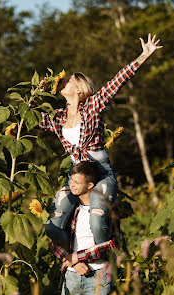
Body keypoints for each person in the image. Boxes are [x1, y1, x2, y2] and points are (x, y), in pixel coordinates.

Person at [40, 34, 162, 252]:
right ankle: (73, 261)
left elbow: (118, 80)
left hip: (100, 173)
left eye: (69, 81)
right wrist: (40, 89)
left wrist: (144, 55)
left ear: (79, 89)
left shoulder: (93, 107)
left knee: (97, 223)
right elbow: (29, 118)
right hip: (76, 175)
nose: (63, 82)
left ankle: (110, 259)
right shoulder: (57, 117)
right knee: (52, 227)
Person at [49, 161, 118, 295]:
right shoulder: (70, 210)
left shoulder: (105, 211)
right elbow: (53, 242)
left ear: (90, 185)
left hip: (99, 276)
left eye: (77, 182)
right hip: (72, 276)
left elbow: (114, 245)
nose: (71, 185)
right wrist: (73, 261)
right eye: (72, 180)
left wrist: (77, 257)